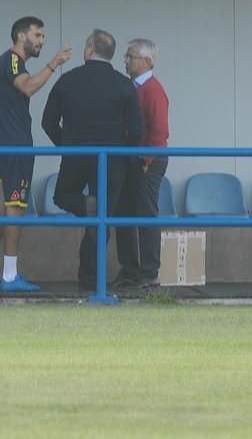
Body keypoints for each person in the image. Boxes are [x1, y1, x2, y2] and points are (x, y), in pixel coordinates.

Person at [41, 29, 143, 291]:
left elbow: (48, 122)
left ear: (89, 51)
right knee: (103, 216)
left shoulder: (68, 81)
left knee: (63, 196)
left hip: (75, 155)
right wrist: (124, 157)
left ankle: (86, 207)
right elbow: (137, 129)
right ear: (110, 54)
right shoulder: (123, 84)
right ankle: (89, 279)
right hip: (111, 160)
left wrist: (66, 145)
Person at [0, 16, 72, 293]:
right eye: (38, 35)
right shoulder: (12, 62)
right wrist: (54, 64)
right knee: (15, 208)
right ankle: (9, 276)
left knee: (0, 206)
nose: (42, 41)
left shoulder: (3, 62)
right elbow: (28, 87)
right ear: (21, 36)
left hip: (4, 144)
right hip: (15, 146)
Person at [114, 38, 170, 290]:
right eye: (126, 56)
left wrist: (147, 160)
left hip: (148, 160)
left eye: (131, 57)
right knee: (123, 213)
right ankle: (129, 270)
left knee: (146, 213)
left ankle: (149, 272)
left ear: (147, 62)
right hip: (131, 159)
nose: (126, 61)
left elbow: (160, 131)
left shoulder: (153, 90)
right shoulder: (131, 87)